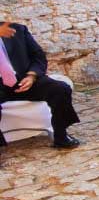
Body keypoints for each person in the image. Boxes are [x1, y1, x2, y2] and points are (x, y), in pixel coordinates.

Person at [0, 21, 81, 149]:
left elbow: (38, 56)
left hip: (23, 80)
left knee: (60, 89)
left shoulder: (17, 30)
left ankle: (61, 136)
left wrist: (31, 76)